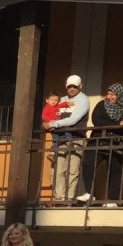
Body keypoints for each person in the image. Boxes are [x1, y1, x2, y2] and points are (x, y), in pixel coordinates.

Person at [85, 84, 123, 205]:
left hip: (117, 143)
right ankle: (90, 193)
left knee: (115, 169)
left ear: (120, 95)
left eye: (112, 95)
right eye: (108, 94)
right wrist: (119, 124)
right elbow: (97, 120)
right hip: (98, 140)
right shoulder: (101, 105)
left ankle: (113, 199)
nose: (109, 97)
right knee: (88, 163)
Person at [47, 74, 90, 203]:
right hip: (60, 139)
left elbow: (74, 119)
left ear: (80, 86)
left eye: (75, 86)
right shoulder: (61, 100)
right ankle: (59, 198)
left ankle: (69, 199)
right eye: (69, 86)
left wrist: (54, 124)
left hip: (76, 139)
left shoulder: (83, 99)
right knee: (58, 170)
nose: (72, 89)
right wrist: (49, 122)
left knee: (72, 170)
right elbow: (51, 114)